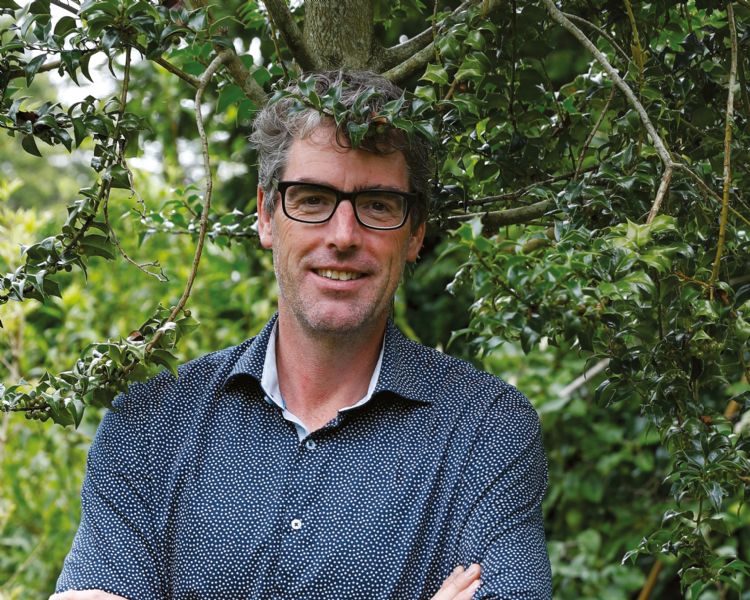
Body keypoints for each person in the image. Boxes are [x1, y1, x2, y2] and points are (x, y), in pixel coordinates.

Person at [52, 71, 551, 599]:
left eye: (378, 204)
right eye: (312, 199)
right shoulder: (151, 425)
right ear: (266, 216)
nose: (343, 236)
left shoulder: (485, 431)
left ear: (415, 233)